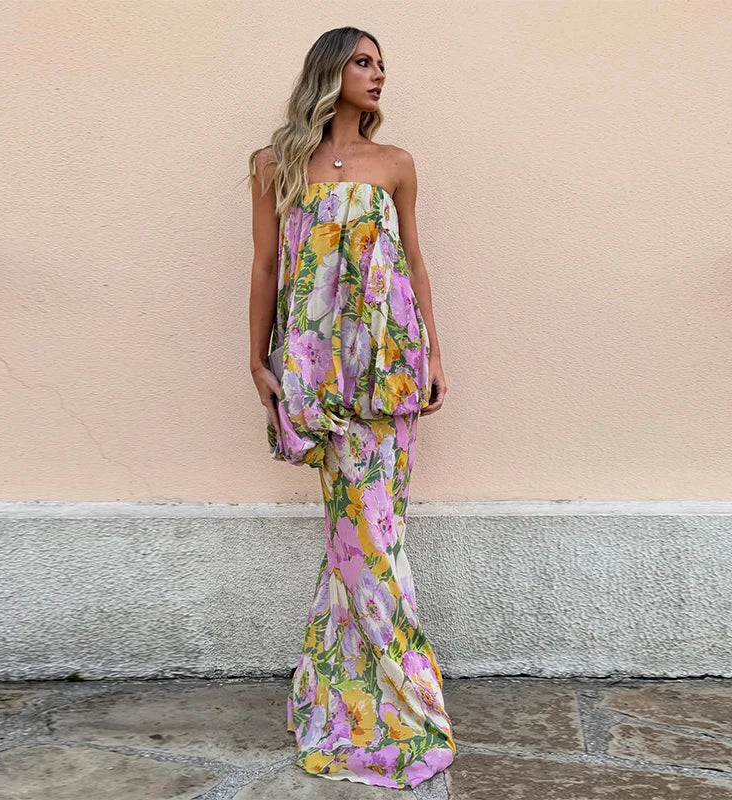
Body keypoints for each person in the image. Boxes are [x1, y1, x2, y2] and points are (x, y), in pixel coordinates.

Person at [247, 26, 454, 790]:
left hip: (388, 368)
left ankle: (387, 701)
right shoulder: (277, 164)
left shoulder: (396, 165)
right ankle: (354, 697)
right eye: (363, 62)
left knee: (377, 530)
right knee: (352, 534)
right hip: (316, 375)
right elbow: (268, 265)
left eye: (381, 64)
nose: (378, 75)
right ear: (329, 71)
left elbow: (414, 260)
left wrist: (433, 352)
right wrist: (257, 361)